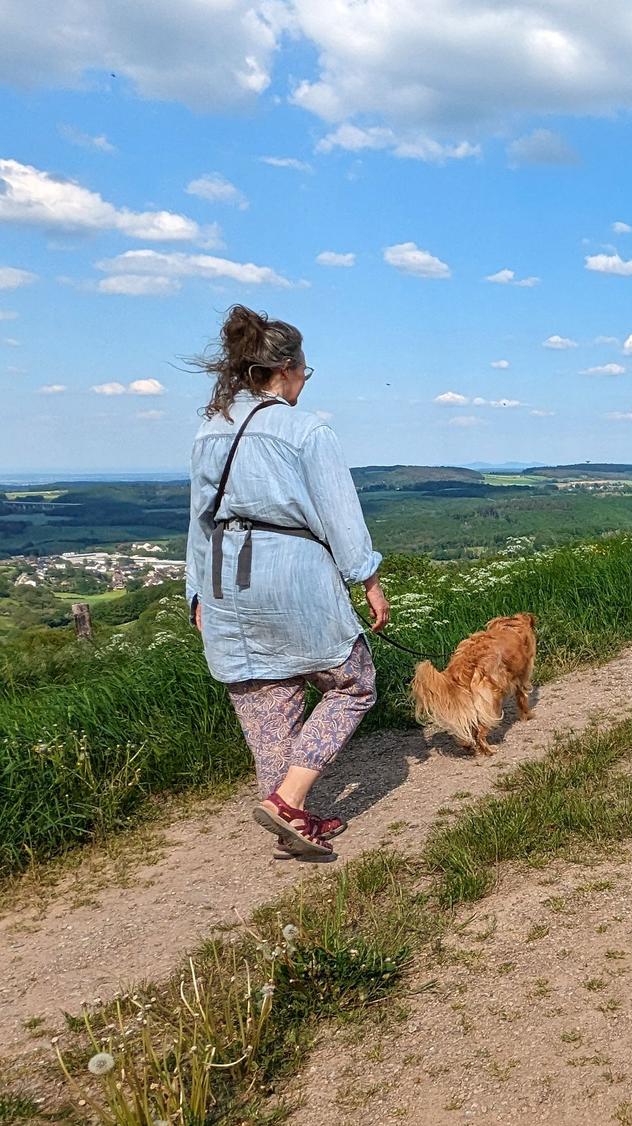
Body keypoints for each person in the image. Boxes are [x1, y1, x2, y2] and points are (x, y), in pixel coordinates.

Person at [184, 305, 391, 859]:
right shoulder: (305, 429)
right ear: (285, 370)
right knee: (353, 682)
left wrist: (196, 591)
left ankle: (288, 820)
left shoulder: (210, 430)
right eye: (304, 370)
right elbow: (341, 514)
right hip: (292, 571)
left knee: (265, 700)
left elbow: (199, 519)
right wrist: (368, 579)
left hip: (224, 578)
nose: (304, 379)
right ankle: (288, 801)